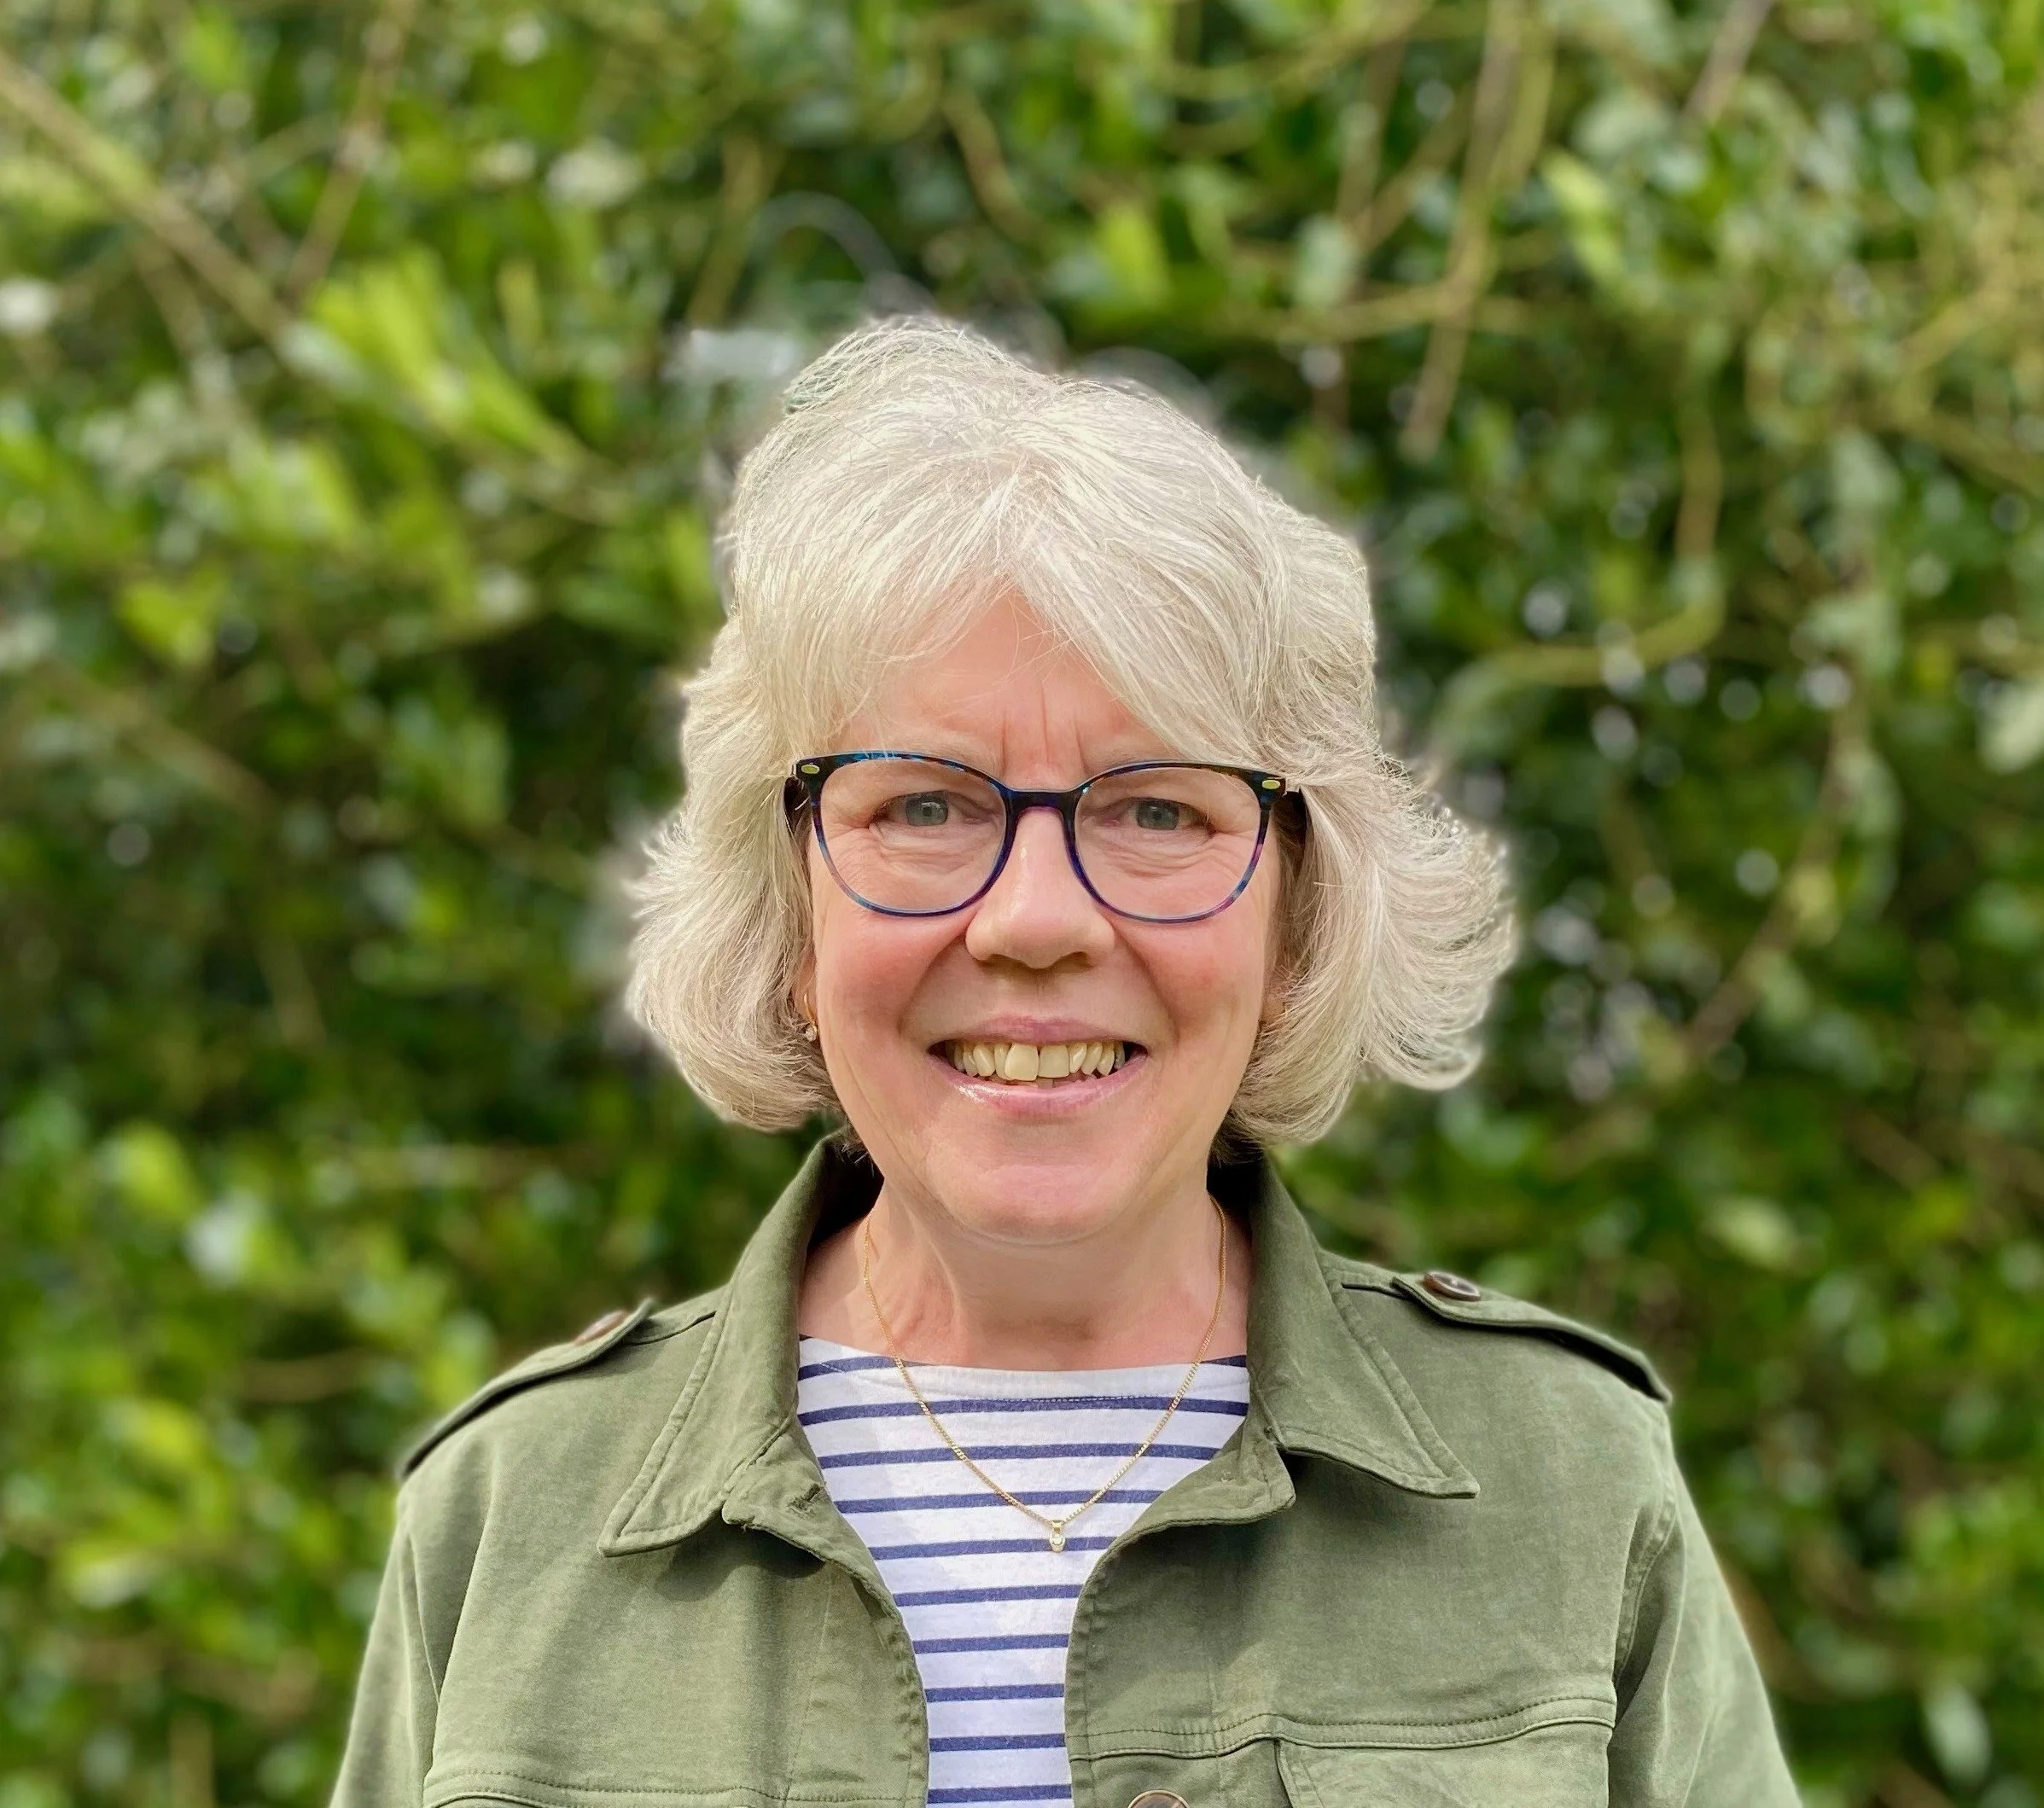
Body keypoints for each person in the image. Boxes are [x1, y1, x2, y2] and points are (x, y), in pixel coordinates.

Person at [332, 320, 1798, 1807]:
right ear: (787, 904)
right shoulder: (505, 1520)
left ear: (1298, 907)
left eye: (1158, 811)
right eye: (922, 806)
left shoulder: (1568, 1484)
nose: (1036, 918)